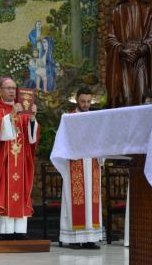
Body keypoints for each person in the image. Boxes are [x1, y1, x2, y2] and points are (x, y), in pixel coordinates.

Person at [0, 77, 39, 240]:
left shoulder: (23, 110)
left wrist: (32, 118)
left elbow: (31, 138)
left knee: (19, 193)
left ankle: (18, 230)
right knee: (2, 193)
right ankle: (0, 231)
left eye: (14, 88)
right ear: (0, 90)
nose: (12, 91)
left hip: (19, 162)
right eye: (8, 88)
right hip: (2, 162)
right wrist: (11, 115)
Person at [59, 87, 102, 249]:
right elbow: (62, 142)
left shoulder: (95, 118)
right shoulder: (69, 119)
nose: (86, 105)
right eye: (83, 101)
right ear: (77, 100)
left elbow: (101, 140)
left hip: (92, 164)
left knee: (92, 202)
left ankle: (90, 238)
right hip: (75, 164)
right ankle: (74, 239)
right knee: (74, 199)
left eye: (88, 101)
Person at [105, 0, 152, 107]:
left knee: (142, 97)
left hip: (141, 60)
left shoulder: (147, 10)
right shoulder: (117, 11)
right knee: (125, 98)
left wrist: (141, 50)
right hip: (123, 61)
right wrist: (122, 50)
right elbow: (110, 39)